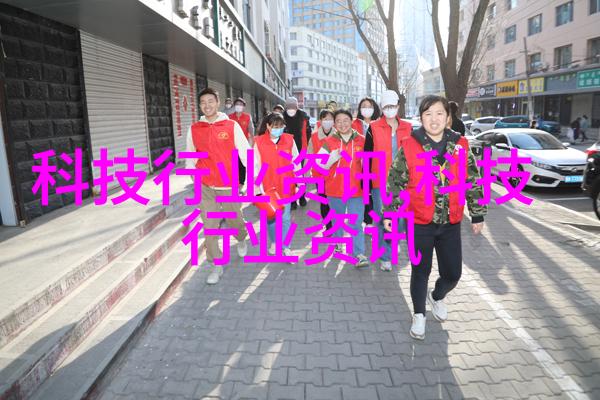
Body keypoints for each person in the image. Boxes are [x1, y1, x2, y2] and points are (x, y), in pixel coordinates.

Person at [383, 95, 487, 340]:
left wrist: (477, 213)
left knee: (453, 274)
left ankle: (437, 296)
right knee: (421, 271)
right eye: (428, 114)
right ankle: (419, 314)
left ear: (447, 117)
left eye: (439, 113)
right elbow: (395, 181)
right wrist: (390, 213)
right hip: (419, 221)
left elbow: (472, 179)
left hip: (450, 222)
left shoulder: (460, 145)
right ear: (421, 118)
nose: (434, 119)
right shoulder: (410, 145)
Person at [185, 88, 260, 285]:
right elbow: (190, 155)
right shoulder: (194, 129)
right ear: (199, 105)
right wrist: (192, 174)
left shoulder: (230, 125)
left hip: (228, 183)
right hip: (205, 184)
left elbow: (245, 153)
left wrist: (252, 179)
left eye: (211, 101)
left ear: (218, 103)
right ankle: (216, 265)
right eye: (203, 102)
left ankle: (241, 237)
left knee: (235, 220)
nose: (207, 105)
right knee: (210, 226)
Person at [364, 90, 412, 271]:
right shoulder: (374, 127)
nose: (390, 109)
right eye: (386, 107)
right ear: (382, 108)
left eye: (392, 106)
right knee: (381, 219)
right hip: (379, 182)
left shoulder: (408, 127)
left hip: (402, 182)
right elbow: (367, 156)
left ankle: (391, 242)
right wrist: (366, 182)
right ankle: (384, 256)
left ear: (398, 106)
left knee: (399, 220)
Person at [318, 109, 369, 268]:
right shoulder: (329, 141)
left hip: (356, 190)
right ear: (334, 123)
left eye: (345, 120)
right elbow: (319, 165)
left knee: (356, 222)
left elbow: (369, 164)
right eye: (338, 121)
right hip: (335, 189)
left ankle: (359, 254)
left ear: (351, 121)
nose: (342, 124)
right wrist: (331, 159)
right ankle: (338, 244)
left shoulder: (362, 140)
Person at [254, 112, 298, 261]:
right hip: (267, 187)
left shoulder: (289, 140)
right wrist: (257, 188)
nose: (278, 129)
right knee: (271, 218)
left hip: (286, 185)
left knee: (285, 218)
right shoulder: (259, 142)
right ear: (268, 126)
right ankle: (274, 241)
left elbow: (296, 161)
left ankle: (286, 247)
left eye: (281, 126)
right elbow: (255, 165)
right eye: (275, 126)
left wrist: (299, 181)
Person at [352, 97, 382, 231]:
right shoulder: (354, 124)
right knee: (363, 193)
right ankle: (366, 220)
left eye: (369, 106)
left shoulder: (379, 124)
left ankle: (372, 220)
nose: (366, 109)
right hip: (358, 163)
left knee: (373, 193)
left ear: (374, 108)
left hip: (374, 163)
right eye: (364, 106)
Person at [307, 109, 336, 234]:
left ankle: (334, 224)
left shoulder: (338, 136)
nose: (327, 121)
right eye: (325, 119)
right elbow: (309, 154)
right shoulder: (314, 137)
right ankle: (328, 226)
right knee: (324, 201)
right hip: (319, 175)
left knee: (334, 201)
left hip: (335, 175)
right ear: (321, 121)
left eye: (330, 119)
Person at [283, 96, 311, 210]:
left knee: (301, 175)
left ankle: (302, 196)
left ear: (297, 107)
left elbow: (308, 133)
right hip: (287, 151)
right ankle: (293, 199)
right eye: (289, 107)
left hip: (301, 150)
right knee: (290, 175)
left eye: (293, 107)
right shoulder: (282, 118)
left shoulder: (303, 117)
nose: (291, 109)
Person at [228, 98, 255, 192]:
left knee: (242, 164)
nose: (238, 106)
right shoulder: (230, 117)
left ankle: (241, 183)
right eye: (237, 104)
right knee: (234, 163)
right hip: (232, 144)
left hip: (243, 144)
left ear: (243, 107)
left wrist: (251, 144)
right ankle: (235, 182)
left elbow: (251, 131)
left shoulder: (247, 117)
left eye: (241, 104)